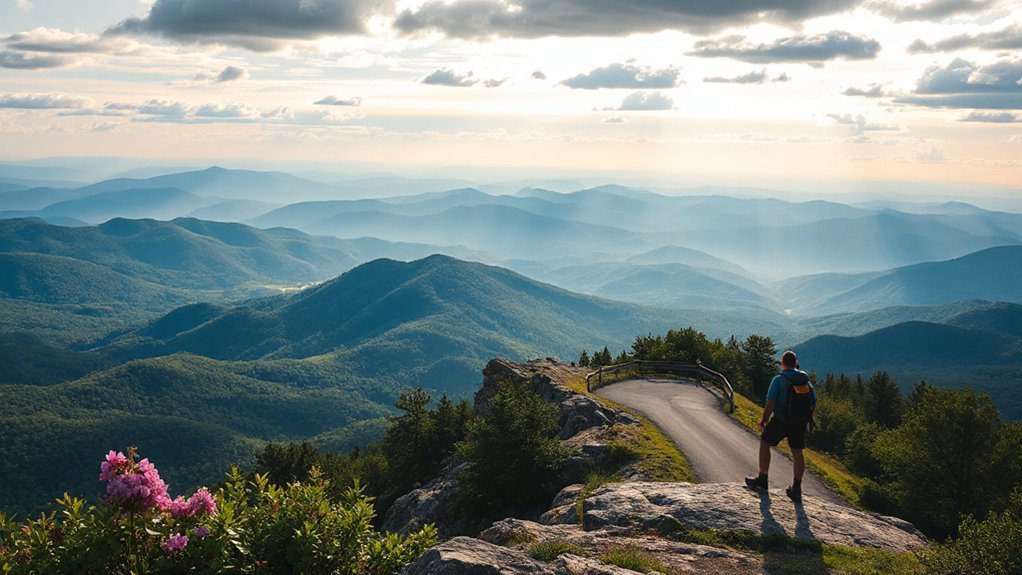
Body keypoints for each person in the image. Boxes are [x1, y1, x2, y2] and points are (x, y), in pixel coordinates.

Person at [745, 349, 816, 502]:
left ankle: (762, 479)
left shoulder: (779, 379)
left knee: (765, 442)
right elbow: (813, 402)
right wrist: (807, 419)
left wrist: (764, 419)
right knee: (797, 452)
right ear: (796, 364)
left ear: (782, 364)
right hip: (799, 423)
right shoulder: (805, 381)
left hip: (781, 420)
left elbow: (770, 402)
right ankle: (796, 488)